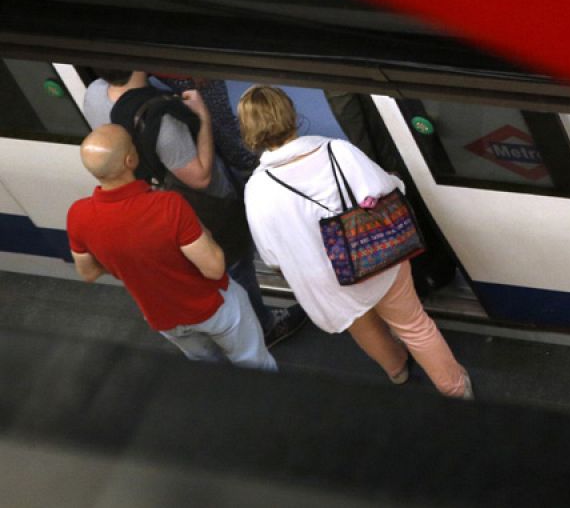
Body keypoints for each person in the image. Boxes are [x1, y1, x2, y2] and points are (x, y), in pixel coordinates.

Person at [236, 85, 472, 399]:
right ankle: (456, 389)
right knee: (414, 325)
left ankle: (398, 371)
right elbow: (388, 190)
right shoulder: (338, 151)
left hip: (327, 282)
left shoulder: (257, 189)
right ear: (290, 113)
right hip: (377, 258)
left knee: (363, 326)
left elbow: (270, 255)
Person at [84, 69, 307, 347]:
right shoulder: (163, 117)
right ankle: (264, 327)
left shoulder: (93, 94)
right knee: (236, 264)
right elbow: (200, 178)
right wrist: (203, 119)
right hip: (208, 206)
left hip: (157, 202)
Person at [67, 125, 275, 370]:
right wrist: (204, 231)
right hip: (213, 308)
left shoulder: (78, 215)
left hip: (164, 319)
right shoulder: (168, 206)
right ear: (130, 159)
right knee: (254, 363)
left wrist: (127, 260)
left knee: (207, 367)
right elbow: (214, 268)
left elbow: (89, 272)